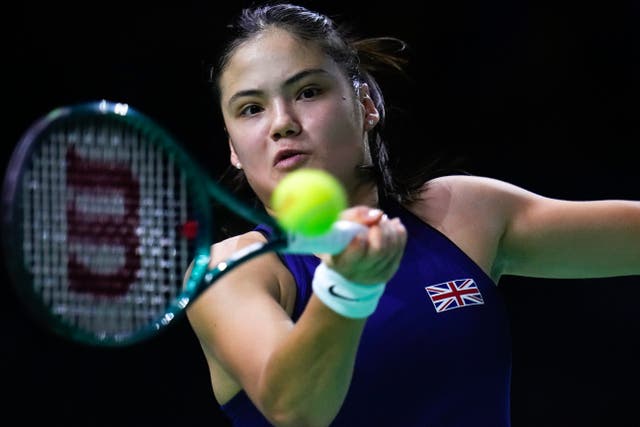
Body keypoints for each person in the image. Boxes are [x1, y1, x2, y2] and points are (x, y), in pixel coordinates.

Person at [185, 2, 640, 426]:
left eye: (307, 91)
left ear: (366, 106)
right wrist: (347, 288)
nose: (281, 121)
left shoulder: (461, 214)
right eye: (250, 109)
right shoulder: (232, 272)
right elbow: (294, 410)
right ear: (233, 149)